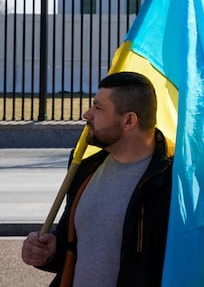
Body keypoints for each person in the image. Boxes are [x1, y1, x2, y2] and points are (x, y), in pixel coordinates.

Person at [21, 71, 173, 286]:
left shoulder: (171, 182)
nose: (87, 114)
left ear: (129, 120)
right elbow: (71, 246)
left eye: (98, 107)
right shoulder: (84, 169)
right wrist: (50, 250)